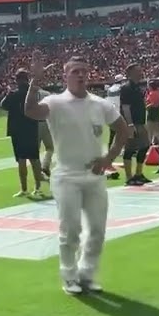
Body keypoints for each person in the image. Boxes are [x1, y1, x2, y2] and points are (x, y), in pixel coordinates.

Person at [23, 55, 128, 294]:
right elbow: (30, 111)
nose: (80, 75)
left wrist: (109, 158)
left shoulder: (101, 104)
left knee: (98, 230)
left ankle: (87, 274)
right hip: (66, 176)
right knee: (70, 229)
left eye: (84, 71)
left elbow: (122, 129)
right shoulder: (56, 102)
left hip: (94, 175)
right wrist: (34, 82)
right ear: (65, 75)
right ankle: (69, 276)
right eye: (75, 71)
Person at [0, 69, 45, 198]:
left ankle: (24, 189)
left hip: (17, 130)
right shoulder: (33, 94)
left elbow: (3, 105)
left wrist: (8, 93)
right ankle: (38, 188)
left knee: (21, 160)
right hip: (31, 128)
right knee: (35, 159)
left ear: (17, 80)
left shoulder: (14, 95)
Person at [117, 64, 151, 186]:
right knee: (130, 148)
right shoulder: (127, 88)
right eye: (137, 70)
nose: (140, 72)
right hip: (132, 123)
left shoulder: (137, 87)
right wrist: (130, 124)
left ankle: (138, 173)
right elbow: (126, 107)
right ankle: (129, 176)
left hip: (140, 122)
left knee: (145, 146)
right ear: (130, 73)